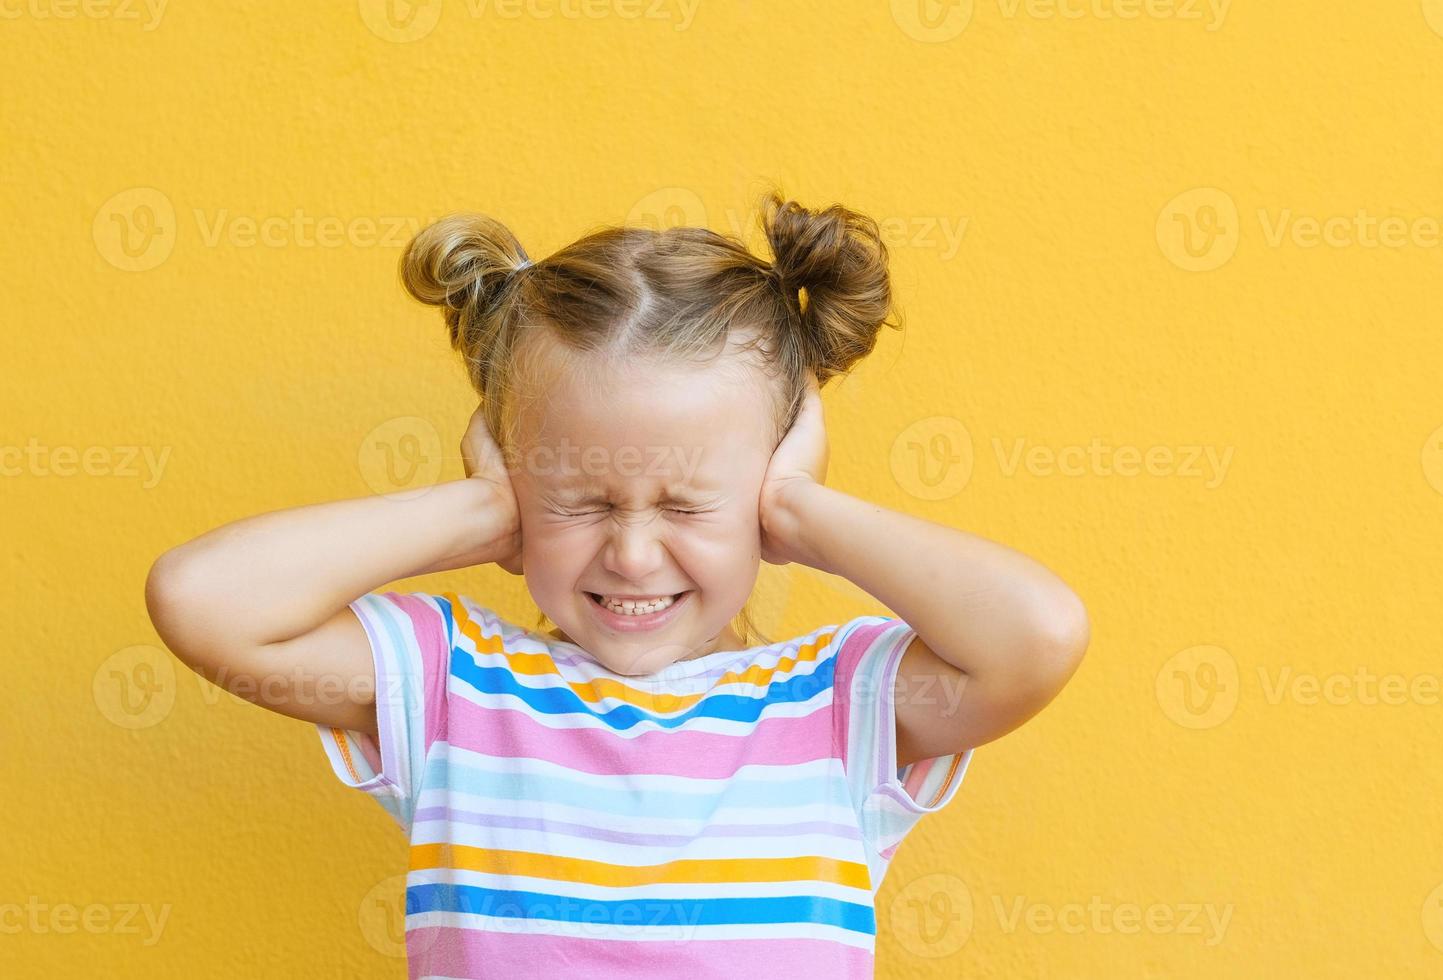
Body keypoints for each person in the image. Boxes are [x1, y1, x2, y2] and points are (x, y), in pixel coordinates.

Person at [144, 190, 1089, 978]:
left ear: (761, 498)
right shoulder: (452, 689)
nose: (632, 556)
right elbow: (202, 600)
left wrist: (799, 509)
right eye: (581, 504)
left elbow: (1036, 636)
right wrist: (485, 511)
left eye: (687, 508)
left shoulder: (837, 711)